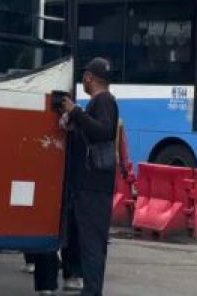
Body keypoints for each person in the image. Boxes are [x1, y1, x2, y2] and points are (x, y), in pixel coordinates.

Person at [56, 57, 119, 296]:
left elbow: (103, 131)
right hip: (88, 185)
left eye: (84, 76)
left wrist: (75, 111)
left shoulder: (104, 101)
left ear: (89, 78)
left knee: (92, 244)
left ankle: (92, 291)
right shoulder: (99, 102)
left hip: (94, 186)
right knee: (84, 241)